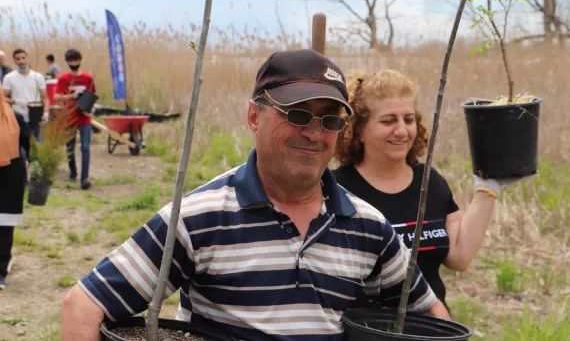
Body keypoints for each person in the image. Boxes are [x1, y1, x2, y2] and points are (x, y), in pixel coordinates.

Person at [61, 49, 450, 341]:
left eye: (330, 119)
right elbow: (83, 305)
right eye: (297, 114)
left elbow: (428, 310)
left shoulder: (368, 227)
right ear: (253, 117)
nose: (314, 133)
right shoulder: (200, 217)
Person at [332, 69, 530, 312]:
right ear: (358, 130)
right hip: (369, 331)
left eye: (409, 119)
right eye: (388, 120)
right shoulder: (337, 189)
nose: (402, 130)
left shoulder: (430, 181)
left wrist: (487, 189)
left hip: (433, 328)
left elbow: (458, 256)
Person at [0, 81, 29, 290]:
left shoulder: (15, 118)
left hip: (10, 175)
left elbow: (27, 145)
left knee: (4, 224)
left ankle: (1, 268)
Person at [54, 48, 96, 190]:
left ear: (80, 60)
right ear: (67, 62)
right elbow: (56, 97)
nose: (74, 63)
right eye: (71, 61)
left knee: (85, 147)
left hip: (84, 117)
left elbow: (93, 95)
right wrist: (70, 97)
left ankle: (85, 178)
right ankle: (73, 172)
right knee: (70, 148)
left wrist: (88, 108)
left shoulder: (88, 78)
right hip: (69, 117)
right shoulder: (63, 79)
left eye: (76, 60)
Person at [2, 48, 50, 142]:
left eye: (23, 58)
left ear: (28, 59)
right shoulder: (9, 78)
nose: (21, 61)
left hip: (35, 117)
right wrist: (15, 101)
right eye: (18, 59)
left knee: (37, 146)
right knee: (21, 150)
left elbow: (45, 97)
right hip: (18, 118)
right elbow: (3, 97)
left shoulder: (38, 77)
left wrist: (46, 113)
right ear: (14, 61)